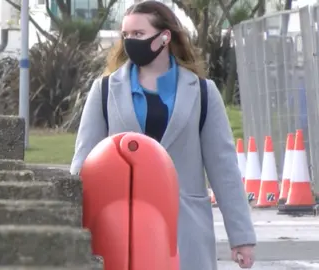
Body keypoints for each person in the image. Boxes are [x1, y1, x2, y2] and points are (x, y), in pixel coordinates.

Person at [70, 1, 256, 270]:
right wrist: (71, 227)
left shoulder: (203, 92)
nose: (130, 41)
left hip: (185, 232)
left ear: (164, 37)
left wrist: (242, 237)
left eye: (138, 34)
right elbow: (82, 165)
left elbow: (224, 168)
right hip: (119, 231)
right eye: (126, 35)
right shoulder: (104, 90)